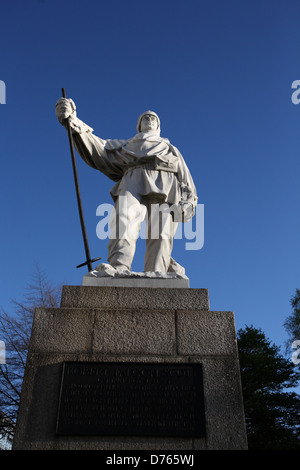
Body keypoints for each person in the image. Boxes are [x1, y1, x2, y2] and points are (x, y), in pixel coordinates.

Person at [55, 98, 197, 274]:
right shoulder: (126, 146)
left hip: (166, 187)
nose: (149, 120)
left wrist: (189, 200)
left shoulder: (171, 149)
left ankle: (157, 271)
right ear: (139, 125)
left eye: (153, 118)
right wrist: (72, 120)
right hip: (132, 181)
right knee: (123, 218)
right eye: (145, 118)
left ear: (158, 126)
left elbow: (185, 178)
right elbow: (99, 147)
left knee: (161, 232)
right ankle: (119, 266)